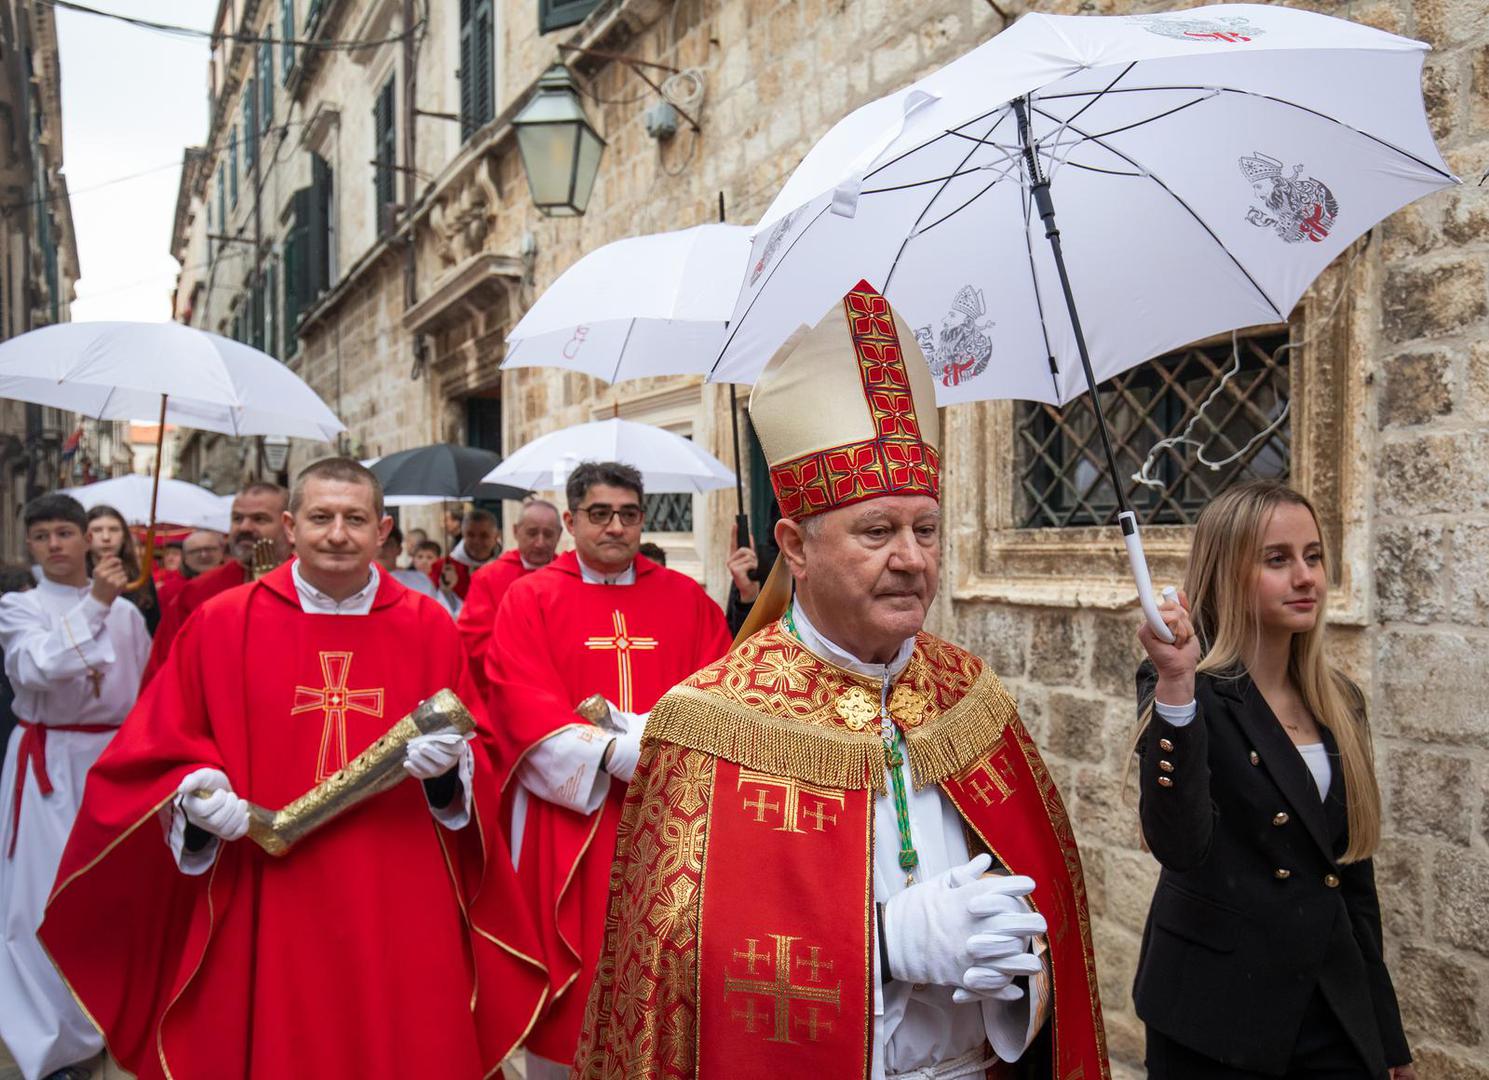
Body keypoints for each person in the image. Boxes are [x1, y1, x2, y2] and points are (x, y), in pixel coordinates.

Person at [576, 283, 1108, 1079]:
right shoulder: (708, 720)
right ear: (794, 543)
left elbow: (1045, 899)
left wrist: (1016, 958)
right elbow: (673, 975)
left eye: (925, 529)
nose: (911, 558)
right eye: (876, 531)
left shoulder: (970, 695)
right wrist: (883, 944)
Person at [40, 458, 547, 1080]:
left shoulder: (427, 627)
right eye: (321, 517)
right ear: (289, 525)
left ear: (382, 529)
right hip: (266, 883)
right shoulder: (225, 622)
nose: (338, 533)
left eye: (355, 519)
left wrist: (450, 772)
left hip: (397, 881)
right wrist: (194, 795)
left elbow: (483, 753)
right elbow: (162, 744)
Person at [1132, 480, 1413, 1079]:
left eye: (1313, 556)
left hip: (1330, 1002)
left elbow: (1353, 881)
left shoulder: (1340, 700)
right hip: (1214, 1011)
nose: (1306, 576)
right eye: (1277, 560)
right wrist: (1176, 688)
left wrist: (1387, 1038)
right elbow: (1179, 844)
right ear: (1227, 572)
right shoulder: (1187, 688)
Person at [486, 461, 732, 1079]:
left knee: (666, 966)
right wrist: (606, 753)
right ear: (571, 521)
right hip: (573, 820)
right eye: (600, 514)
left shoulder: (687, 600)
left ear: (643, 520)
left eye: (628, 514)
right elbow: (517, 695)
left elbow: (724, 693)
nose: (615, 527)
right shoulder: (531, 598)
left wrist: (650, 742)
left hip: (671, 821)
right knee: (580, 969)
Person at [1, 494, 149, 1080]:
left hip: (110, 758)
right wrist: (95, 604)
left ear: (90, 540)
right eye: (42, 536)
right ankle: (50, 1041)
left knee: (112, 893)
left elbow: (141, 688)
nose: (55, 544)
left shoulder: (129, 614)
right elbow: (35, 667)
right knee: (37, 899)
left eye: (66, 532)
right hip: (48, 760)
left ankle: (112, 1017)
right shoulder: (19, 606)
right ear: (30, 546)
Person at [140, 482, 291, 687]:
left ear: (289, 526)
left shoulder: (314, 585)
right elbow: (165, 671)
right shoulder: (199, 593)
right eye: (237, 518)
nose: (244, 527)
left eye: (259, 519)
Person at [455, 499, 560, 696]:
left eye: (548, 534)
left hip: (561, 688)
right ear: (515, 531)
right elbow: (474, 640)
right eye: (531, 533)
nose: (540, 542)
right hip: (506, 687)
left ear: (560, 535)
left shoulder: (571, 576)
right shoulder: (488, 578)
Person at [86, 504, 160, 635]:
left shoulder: (141, 579)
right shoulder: (75, 579)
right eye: (97, 530)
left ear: (124, 536)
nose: (106, 537)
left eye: (114, 530)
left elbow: (153, 628)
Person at [430, 509, 500, 601]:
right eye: (470, 535)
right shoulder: (441, 568)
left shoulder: (505, 567)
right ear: (463, 534)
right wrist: (445, 591)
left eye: (484, 536)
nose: (476, 541)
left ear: (496, 536)